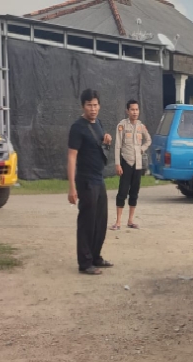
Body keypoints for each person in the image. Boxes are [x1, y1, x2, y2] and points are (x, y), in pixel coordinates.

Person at [68, 88, 114, 275]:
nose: (93, 109)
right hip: (86, 180)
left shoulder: (99, 124)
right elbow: (72, 157)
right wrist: (72, 187)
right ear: (83, 106)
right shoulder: (77, 127)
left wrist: (107, 141)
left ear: (99, 106)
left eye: (95, 105)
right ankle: (85, 263)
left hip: (99, 178)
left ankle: (95, 256)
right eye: (89, 105)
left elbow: (99, 148)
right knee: (87, 221)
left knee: (100, 221)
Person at [111, 99, 151, 230]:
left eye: (137, 109)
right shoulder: (122, 125)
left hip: (137, 163)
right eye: (132, 109)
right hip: (126, 162)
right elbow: (117, 146)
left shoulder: (141, 126)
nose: (135, 112)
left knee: (134, 191)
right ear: (127, 111)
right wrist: (118, 164)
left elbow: (148, 140)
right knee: (122, 191)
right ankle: (118, 222)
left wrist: (142, 149)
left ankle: (130, 220)